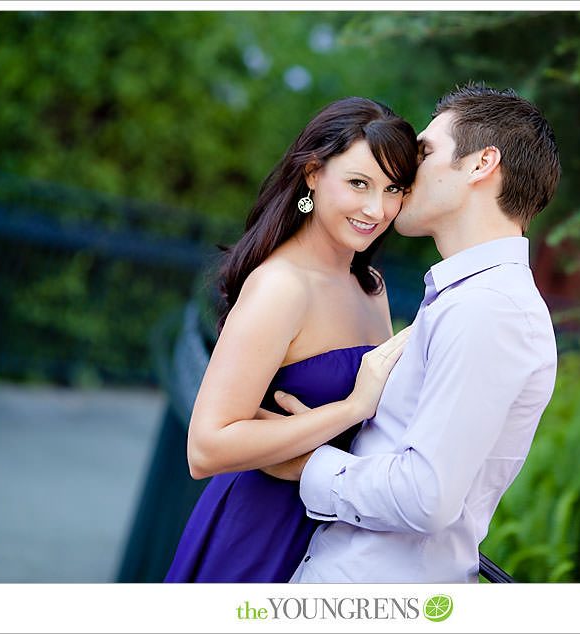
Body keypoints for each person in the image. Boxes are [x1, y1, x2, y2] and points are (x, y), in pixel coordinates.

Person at [267, 83, 562, 583]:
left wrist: (310, 464)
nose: (404, 168)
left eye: (424, 151)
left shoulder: (489, 310)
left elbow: (427, 495)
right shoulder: (469, 298)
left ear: (479, 164)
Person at [164, 96, 419, 582]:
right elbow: (206, 447)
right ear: (312, 174)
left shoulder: (371, 287)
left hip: (335, 531)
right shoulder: (282, 286)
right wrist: (347, 410)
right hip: (259, 533)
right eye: (359, 184)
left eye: (393, 189)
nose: (376, 208)